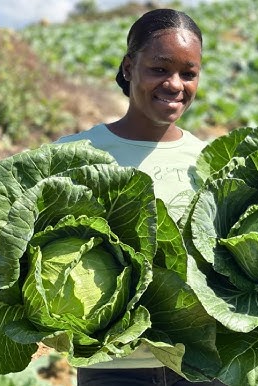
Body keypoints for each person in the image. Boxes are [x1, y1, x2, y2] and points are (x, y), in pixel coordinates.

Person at [56, 8, 226, 386]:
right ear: (129, 67)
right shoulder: (73, 154)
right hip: (113, 367)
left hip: (200, 363)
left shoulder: (211, 161)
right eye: (160, 69)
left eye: (189, 73)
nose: (175, 84)